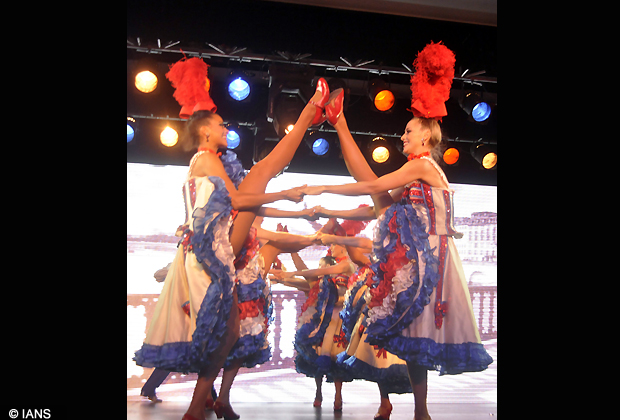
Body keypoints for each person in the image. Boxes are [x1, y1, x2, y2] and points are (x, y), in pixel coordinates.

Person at [134, 55, 337, 420]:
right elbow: (242, 200)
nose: (225, 127)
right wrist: (283, 195)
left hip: (217, 246)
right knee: (262, 173)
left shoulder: (206, 160)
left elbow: (241, 205)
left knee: (228, 335)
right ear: (204, 132)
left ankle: (199, 406)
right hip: (214, 249)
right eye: (219, 123)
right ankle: (311, 109)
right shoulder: (207, 159)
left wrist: (288, 206)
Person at [300, 42, 493, 420]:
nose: (402, 137)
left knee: (375, 191)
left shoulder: (422, 165)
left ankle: (422, 410)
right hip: (425, 252)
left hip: (429, 259)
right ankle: (339, 122)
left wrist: (322, 188)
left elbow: (371, 187)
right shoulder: (419, 172)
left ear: (425, 137)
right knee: (416, 340)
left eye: (407, 131)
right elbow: (375, 192)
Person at [271, 242, 355, 413]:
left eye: (323, 267)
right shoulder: (317, 284)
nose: (319, 269)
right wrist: (283, 272)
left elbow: (346, 298)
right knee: (318, 358)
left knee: (336, 359)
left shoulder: (345, 274)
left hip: (338, 323)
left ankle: (338, 396)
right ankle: (318, 392)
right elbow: (296, 279)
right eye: (318, 267)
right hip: (321, 325)